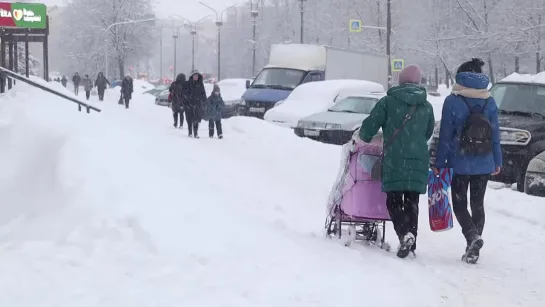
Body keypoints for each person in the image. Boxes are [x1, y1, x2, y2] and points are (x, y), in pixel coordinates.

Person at [358, 64, 435, 259]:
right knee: (412, 202)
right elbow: (428, 133)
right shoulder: (426, 106)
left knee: (394, 201)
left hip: (395, 158)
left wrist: (365, 136)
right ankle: (412, 242)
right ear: (418, 82)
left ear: (400, 81)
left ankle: (404, 234)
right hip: (418, 160)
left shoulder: (388, 102)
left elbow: (369, 127)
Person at [432, 58, 502, 264]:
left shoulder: (453, 100)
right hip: (484, 162)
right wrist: (497, 160)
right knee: (477, 204)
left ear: (461, 76)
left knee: (460, 205)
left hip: (460, 162)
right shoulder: (490, 100)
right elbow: (496, 134)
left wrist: (440, 163)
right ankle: (474, 249)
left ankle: (472, 237)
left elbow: (445, 136)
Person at [185, 70, 207, 138]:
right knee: (189, 119)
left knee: (196, 119)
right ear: (192, 76)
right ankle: (190, 132)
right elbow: (185, 93)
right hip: (190, 104)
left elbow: (203, 93)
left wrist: (205, 101)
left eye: (197, 75)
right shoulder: (188, 83)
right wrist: (188, 99)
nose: (196, 77)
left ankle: (196, 133)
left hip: (198, 104)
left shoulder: (200, 84)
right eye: (194, 75)